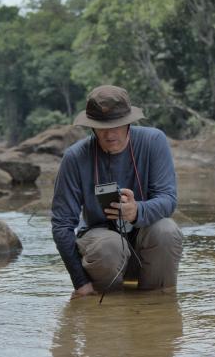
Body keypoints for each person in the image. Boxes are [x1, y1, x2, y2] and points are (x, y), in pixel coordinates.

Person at [51, 85, 183, 299]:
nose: (110, 134)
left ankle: (158, 304)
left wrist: (137, 210)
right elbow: (62, 224)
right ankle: (110, 306)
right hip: (102, 248)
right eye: (101, 127)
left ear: (129, 123)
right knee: (110, 245)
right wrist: (80, 281)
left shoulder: (153, 141)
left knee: (166, 230)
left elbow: (168, 199)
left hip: (148, 246)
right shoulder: (75, 157)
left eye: (117, 126)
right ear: (91, 127)